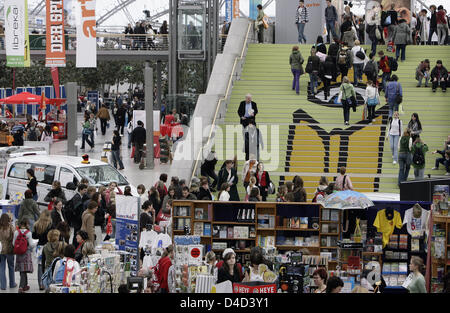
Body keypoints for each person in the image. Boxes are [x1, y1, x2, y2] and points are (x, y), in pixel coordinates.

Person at [32, 210, 53, 290]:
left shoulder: (36, 225)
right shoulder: (50, 225)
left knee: (40, 266)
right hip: (48, 246)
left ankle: (41, 284)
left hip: (39, 248)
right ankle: (47, 282)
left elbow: (34, 237)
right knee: (48, 265)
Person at [14, 219, 35, 293]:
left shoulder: (16, 232)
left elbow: (14, 243)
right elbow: (31, 244)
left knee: (22, 269)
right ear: (26, 224)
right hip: (26, 253)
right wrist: (35, 244)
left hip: (19, 253)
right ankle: (21, 287)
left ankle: (25, 285)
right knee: (24, 270)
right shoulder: (28, 233)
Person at [0, 213, 16, 290]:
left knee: (1, 267)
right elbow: (15, 237)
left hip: (0, 250)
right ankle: (12, 283)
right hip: (10, 250)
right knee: (11, 267)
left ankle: (3, 285)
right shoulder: (11, 227)